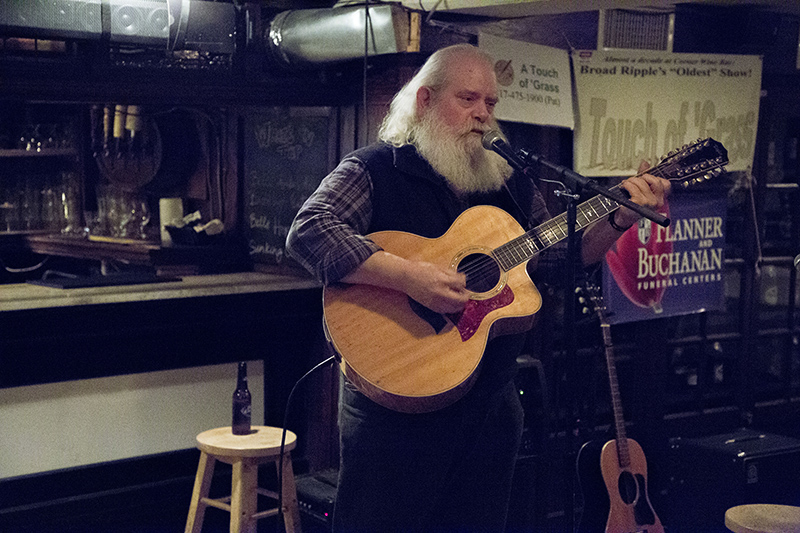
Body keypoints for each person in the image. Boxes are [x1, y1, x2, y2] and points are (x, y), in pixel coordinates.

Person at [285, 43, 670, 533]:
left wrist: (616, 217)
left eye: (490, 103)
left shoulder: (505, 182)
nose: (482, 115)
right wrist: (409, 277)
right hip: (396, 409)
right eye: (468, 99)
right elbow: (310, 231)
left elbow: (556, 258)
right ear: (424, 101)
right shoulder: (375, 169)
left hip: (489, 407)